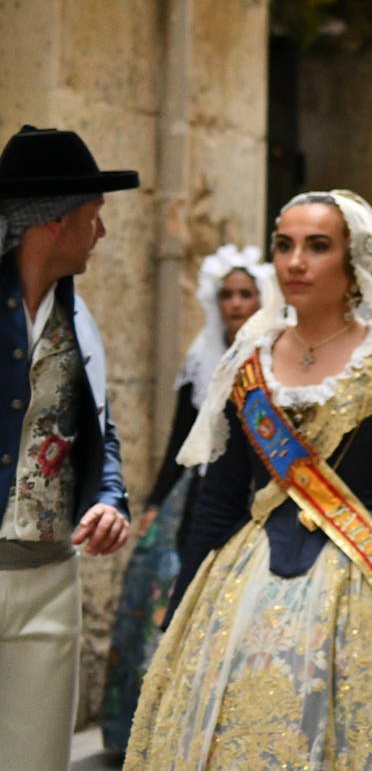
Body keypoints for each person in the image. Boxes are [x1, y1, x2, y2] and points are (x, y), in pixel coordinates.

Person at [127, 191, 372, 768]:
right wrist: (181, 604)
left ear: (353, 262)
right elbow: (216, 505)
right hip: (248, 581)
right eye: (284, 246)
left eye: (317, 247)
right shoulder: (247, 365)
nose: (295, 262)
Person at [0, 125, 137, 770]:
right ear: (55, 221)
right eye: (94, 215)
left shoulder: (79, 321)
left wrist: (109, 497)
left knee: (35, 761)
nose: (100, 232)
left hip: (52, 575)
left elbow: (96, 431)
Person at [100, 244, 270, 753]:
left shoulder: (274, 353)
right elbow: (179, 439)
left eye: (245, 294)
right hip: (201, 494)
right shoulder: (200, 358)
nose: (236, 304)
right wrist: (153, 501)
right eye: (227, 295)